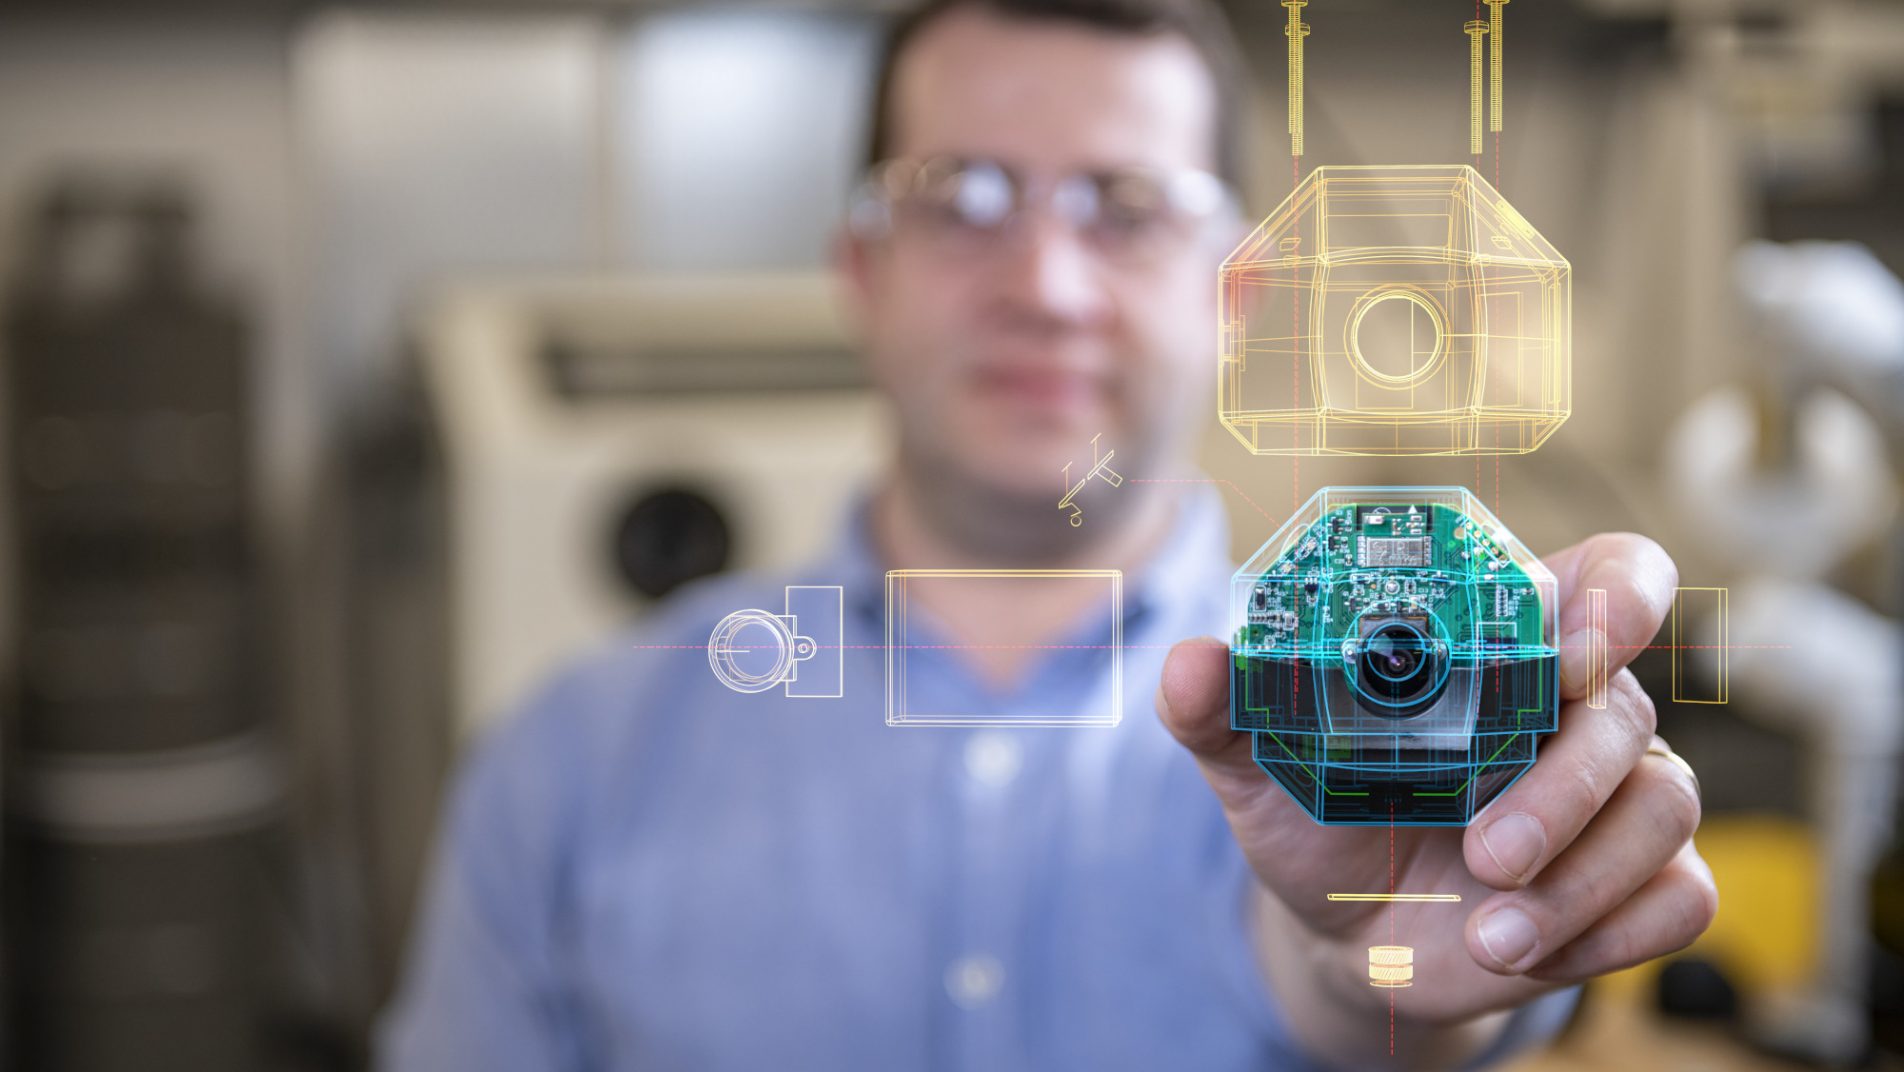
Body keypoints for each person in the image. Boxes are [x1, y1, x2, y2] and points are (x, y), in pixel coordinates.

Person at [380, 0, 1716, 1067]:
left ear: (1233, 297)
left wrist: (1385, 972)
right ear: (861, 266)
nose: (1046, 285)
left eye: (1126, 209)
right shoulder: (567, 766)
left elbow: (1375, 973)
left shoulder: (1377, 718)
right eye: (963, 198)